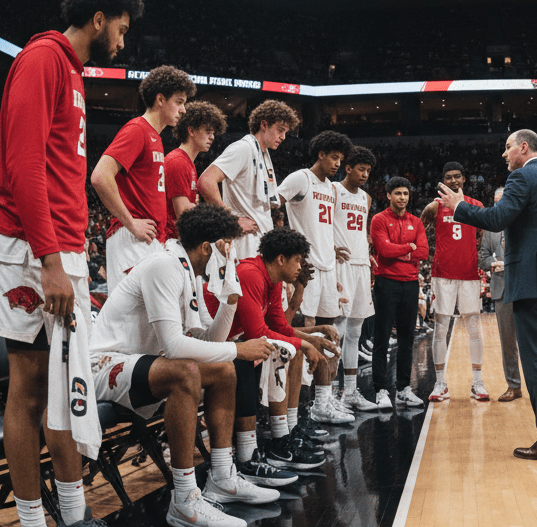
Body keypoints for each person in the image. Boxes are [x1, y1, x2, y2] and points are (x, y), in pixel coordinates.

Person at [0, 0, 144, 527]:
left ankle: (74, 515)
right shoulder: (42, 58)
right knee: (29, 387)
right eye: (120, 29)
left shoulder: (72, 72)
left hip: (62, 247)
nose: (123, 42)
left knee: (65, 388)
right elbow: (25, 166)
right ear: (98, 19)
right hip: (31, 251)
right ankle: (32, 520)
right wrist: (50, 260)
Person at [90, 204, 281, 527]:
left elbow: (210, 339)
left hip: (145, 365)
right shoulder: (164, 266)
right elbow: (175, 347)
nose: (229, 253)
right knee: (187, 371)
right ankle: (183, 499)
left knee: (223, 370)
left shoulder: (186, 269)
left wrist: (230, 294)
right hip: (105, 364)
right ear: (208, 247)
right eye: (226, 247)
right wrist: (238, 349)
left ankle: (222, 477)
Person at [436, 129, 537, 462]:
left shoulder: (521, 178)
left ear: (524, 147)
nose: (504, 154)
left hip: (533, 282)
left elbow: (498, 218)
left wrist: (460, 207)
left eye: (507, 147)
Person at [201, 227, 339, 478]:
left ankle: (283, 435)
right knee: (277, 351)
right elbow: (258, 332)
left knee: (287, 348)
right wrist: (305, 344)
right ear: (281, 259)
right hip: (205, 342)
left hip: (230, 341)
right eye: (297, 260)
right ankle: (259, 449)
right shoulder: (251, 274)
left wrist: (311, 340)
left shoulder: (272, 280)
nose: (300, 266)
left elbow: (281, 327)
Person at [91, 65, 197, 293]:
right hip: (132, 238)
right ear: (160, 99)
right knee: (132, 323)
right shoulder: (137, 130)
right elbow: (100, 176)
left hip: (148, 240)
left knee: (148, 324)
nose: (183, 109)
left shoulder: (155, 137)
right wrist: (131, 222)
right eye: (179, 102)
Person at [276, 130, 354, 425]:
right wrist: (285, 244)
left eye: (340, 159)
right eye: (334, 157)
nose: (337, 164)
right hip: (303, 270)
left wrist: (332, 247)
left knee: (329, 334)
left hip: (327, 266)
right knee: (301, 333)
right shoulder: (300, 178)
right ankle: (297, 409)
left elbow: (322, 225)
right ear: (320, 154)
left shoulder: (332, 189)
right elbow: (274, 204)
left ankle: (322, 403)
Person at [198, 100, 301, 260]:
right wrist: (231, 220)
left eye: (285, 132)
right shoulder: (243, 148)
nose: (283, 137)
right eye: (280, 130)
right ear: (264, 125)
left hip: (261, 240)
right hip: (244, 241)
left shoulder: (264, 154)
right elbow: (206, 181)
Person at [420, 162, 488, 402]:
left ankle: (478, 382)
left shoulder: (476, 206)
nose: (453, 181)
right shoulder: (434, 207)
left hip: (469, 274)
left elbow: (481, 236)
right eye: (448, 177)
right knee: (441, 327)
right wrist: (426, 255)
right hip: (442, 274)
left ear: (464, 179)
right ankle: (440, 383)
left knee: (474, 328)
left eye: (457, 176)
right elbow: (420, 231)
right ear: (443, 181)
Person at [370, 177, 429, 410]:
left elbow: (423, 251)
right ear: (388, 196)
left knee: (407, 338)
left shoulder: (416, 221)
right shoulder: (379, 219)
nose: (402, 197)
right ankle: (380, 390)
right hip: (386, 282)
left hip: (410, 284)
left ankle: (404, 389)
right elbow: (383, 249)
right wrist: (408, 249)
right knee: (382, 338)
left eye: (405, 193)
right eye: (397, 193)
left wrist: (401, 252)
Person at [332, 146, 380, 411]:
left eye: (368, 171)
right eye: (360, 169)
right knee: (336, 331)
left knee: (355, 332)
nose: (364, 174)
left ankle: (350, 393)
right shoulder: (333, 191)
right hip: (341, 266)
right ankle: (326, 396)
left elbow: (361, 231)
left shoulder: (367, 198)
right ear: (347, 168)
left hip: (361, 266)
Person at [477, 187, 522, 402]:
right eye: (496, 201)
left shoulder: (524, 221)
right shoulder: (490, 228)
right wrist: (492, 264)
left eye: (503, 200)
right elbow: (483, 256)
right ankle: (514, 386)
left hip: (524, 287)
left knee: (531, 340)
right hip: (501, 287)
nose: (499, 204)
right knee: (507, 342)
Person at [163, 101, 228, 241]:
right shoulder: (177, 161)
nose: (212, 137)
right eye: (208, 131)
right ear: (191, 131)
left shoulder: (187, 162)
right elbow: (183, 214)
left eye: (213, 132)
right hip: (169, 241)